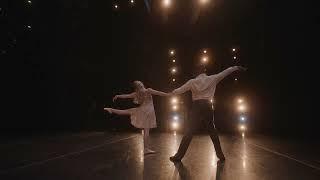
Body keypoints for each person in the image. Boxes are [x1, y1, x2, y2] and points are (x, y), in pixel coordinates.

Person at [169, 66, 247, 162]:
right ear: (204, 72)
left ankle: (178, 156)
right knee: (212, 130)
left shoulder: (192, 81)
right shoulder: (212, 78)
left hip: (196, 107)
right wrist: (236, 67)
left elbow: (180, 90)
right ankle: (220, 155)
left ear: (196, 73)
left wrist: (172, 93)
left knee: (189, 131)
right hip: (207, 105)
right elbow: (226, 72)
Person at [104, 81, 170, 155]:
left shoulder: (137, 93)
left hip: (143, 110)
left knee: (126, 112)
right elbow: (159, 93)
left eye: (140, 84)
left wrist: (118, 96)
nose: (141, 85)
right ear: (139, 86)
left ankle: (111, 109)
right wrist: (169, 94)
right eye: (140, 84)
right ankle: (146, 149)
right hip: (148, 112)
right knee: (146, 131)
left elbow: (126, 96)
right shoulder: (148, 90)